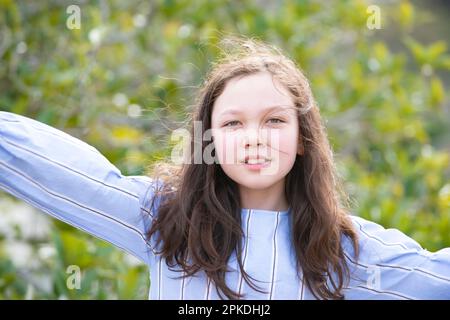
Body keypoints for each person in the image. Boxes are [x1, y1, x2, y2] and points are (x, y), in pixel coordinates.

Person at [0, 36, 449, 300]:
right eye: (233, 123)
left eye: (275, 120)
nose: (254, 137)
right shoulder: (163, 220)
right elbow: (62, 172)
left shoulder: (346, 249)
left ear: (302, 141)